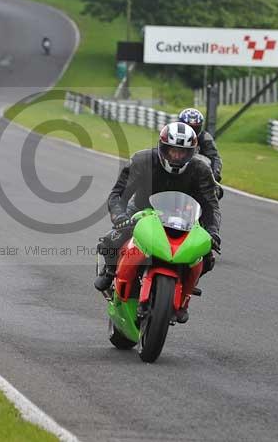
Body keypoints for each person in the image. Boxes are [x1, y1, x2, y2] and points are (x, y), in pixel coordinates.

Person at [94, 122, 221, 320]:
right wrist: (120, 217)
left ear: (192, 153)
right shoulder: (142, 160)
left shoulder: (201, 169)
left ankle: (185, 296)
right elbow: (118, 194)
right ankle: (110, 271)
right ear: (162, 148)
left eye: (183, 152)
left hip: (184, 216)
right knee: (113, 238)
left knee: (207, 257)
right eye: (172, 151)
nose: (177, 156)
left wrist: (213, 232)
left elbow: (211, 206)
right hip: (142, 210)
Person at [177, 108, 222, 183]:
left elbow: (214, 157)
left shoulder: (205, 137)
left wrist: (214, 174)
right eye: (189, 127)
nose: (192, 131)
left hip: (196, 174)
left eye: (195, 128)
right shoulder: (172, 135)